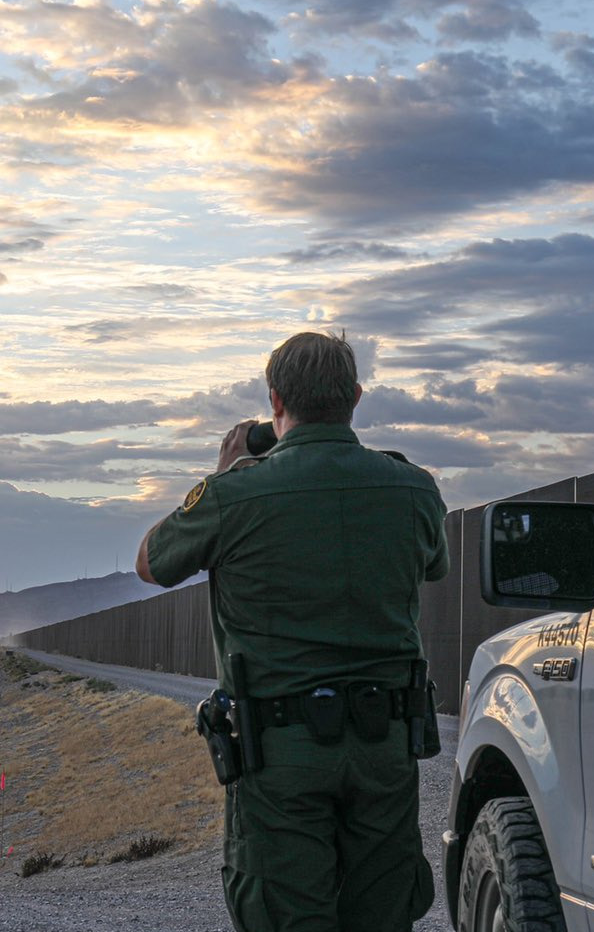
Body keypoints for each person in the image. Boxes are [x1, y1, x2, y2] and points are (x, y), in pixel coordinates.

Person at [134, 331, 447, 932]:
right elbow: (436, 566)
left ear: (275, 401)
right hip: (386, 745)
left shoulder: (234, 495)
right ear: (355, 398)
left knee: (286, 914)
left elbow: (151, 564)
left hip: (280, 753)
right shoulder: (413, 487)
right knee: (383, 912)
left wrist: (223, 474)